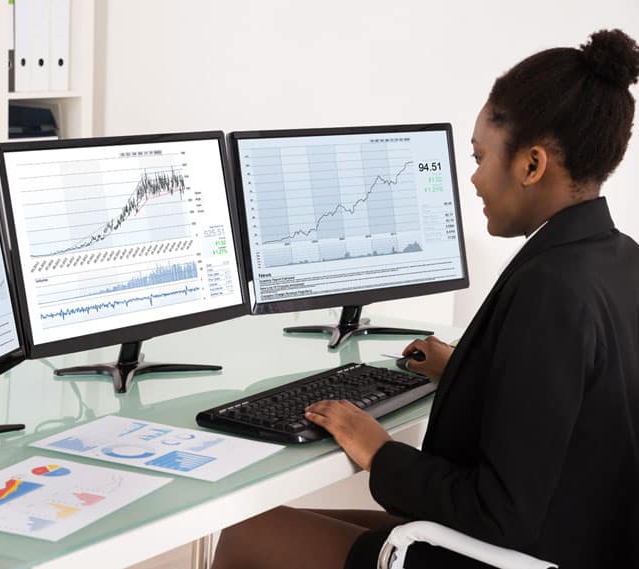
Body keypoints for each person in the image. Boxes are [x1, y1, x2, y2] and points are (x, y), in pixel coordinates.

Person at [211, 28, 639, 569]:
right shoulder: (617, 258)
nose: (475, 179)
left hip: (512, 554)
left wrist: (379, 452)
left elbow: (499, 511)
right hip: (574, 543)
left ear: (531, 166)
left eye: (481, 157)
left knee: (247, 536)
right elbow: (574, 406)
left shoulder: (551, 290)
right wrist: (467, 368)